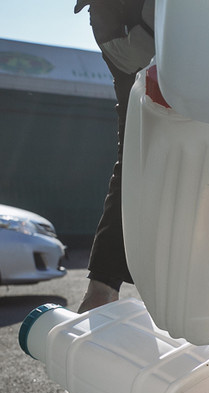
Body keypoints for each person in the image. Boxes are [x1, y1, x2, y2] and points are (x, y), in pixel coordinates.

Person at [73, 0, 153, 312]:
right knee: (131, 172)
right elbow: (134, 57)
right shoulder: (102, 11)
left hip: (202, 95)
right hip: (143, 102)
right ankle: (101, 292)